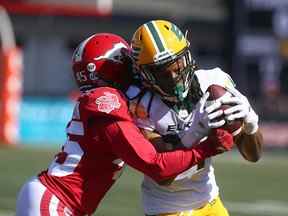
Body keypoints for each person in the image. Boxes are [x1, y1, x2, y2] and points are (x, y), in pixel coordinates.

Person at [15, 33, 234, 216]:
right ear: (116, 67)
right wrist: (207, 146)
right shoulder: (105, 100)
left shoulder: (113, 100)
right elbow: (155, 165)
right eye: (130, 62)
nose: (136, 68)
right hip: (57, 200)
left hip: (59, 200)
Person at [127, 20, 263, 216]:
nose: (174, 77)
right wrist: (195, 132)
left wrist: (250, 120)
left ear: (187, 56)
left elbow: (253, 155)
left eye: (177, 64)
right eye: (163, 71)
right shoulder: (140, 105)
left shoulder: (214, 81)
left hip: (209, 201)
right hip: (166, 209)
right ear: (145, 74)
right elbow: (162, 173)